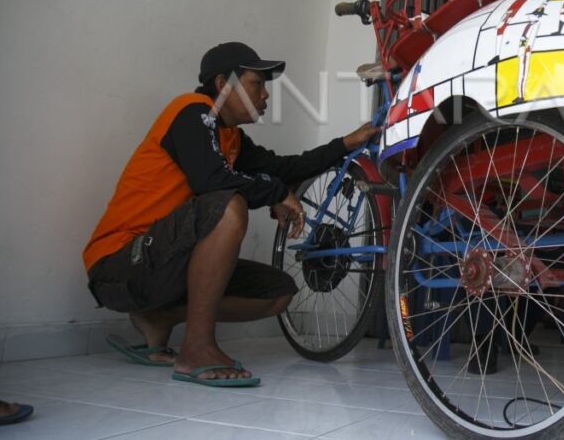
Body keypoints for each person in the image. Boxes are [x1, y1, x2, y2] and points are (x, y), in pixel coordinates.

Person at [82, 42, 379, 387]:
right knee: (227, 203)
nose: (265, 94)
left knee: (278, 292)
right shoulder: (190, 111)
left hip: (163, 265)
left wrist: (345, 144)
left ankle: (160, 317)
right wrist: (275, 192)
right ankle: (196, 349)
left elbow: (285, 168)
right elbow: (212, 181)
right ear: (223, 84)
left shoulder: (231, 137)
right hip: (118, 265)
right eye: (257, 83)